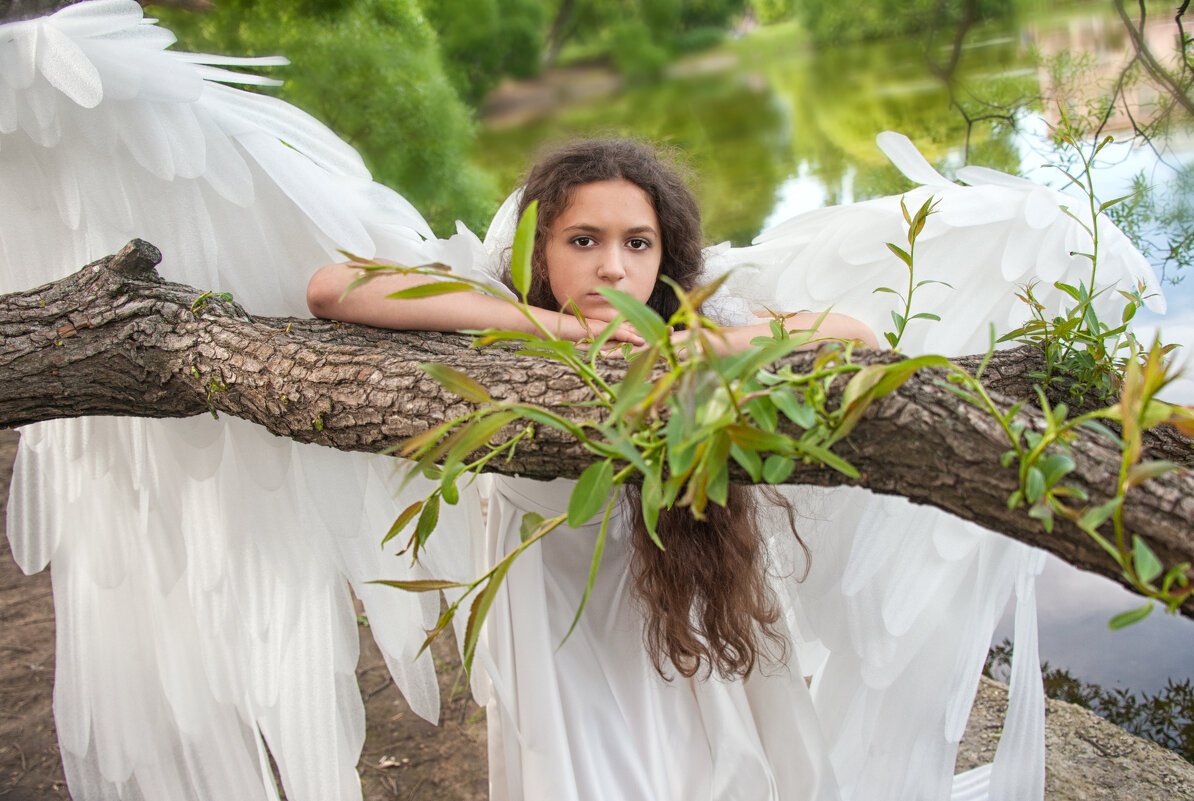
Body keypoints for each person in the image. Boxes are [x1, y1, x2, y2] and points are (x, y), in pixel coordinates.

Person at [308, 139, 878, 801]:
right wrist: (560, 329)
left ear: (664, 256)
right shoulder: (499, 304)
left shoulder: (689, 311)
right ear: (539, 248)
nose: (612, 268)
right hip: (553, 607)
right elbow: (332, 287)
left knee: (703, 767)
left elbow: (853, 334)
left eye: (638, 243)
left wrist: (693, 344)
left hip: (679, 594)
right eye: (583, 241)